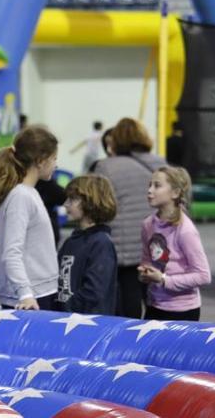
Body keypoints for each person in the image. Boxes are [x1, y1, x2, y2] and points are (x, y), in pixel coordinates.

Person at [93, 118, 166, 318]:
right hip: (158, 246)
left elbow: (99, 207)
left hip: (124, 250)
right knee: (158, 302)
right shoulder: (160, 163)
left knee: (128, 305)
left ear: (115, 140)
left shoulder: (106, 167)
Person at [0, 125, 59, 310]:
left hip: (38, 290)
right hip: (31, 296)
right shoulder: (20, 197)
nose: (56, 164)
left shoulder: (28, 192)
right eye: (54, 158)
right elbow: (11, 252)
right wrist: (25, 294)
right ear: (41, 161)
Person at [138, 166, 211, 321]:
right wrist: (145, 273)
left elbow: (203, 276)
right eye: (149, 185)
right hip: (154, 305)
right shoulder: (147, 224)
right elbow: (147, 259)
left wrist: (164, 279)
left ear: (175, 193)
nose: (150, 190)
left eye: (157, 186)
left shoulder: (185, 230)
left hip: (182, 310)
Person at [56, 175, 118, 315]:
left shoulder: (101, 243)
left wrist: (68, 308)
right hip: (66, 319)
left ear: (91, 202)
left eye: (73, 199)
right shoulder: (71, 241)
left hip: (88, 324)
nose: (66, 204)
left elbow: (94, 291)